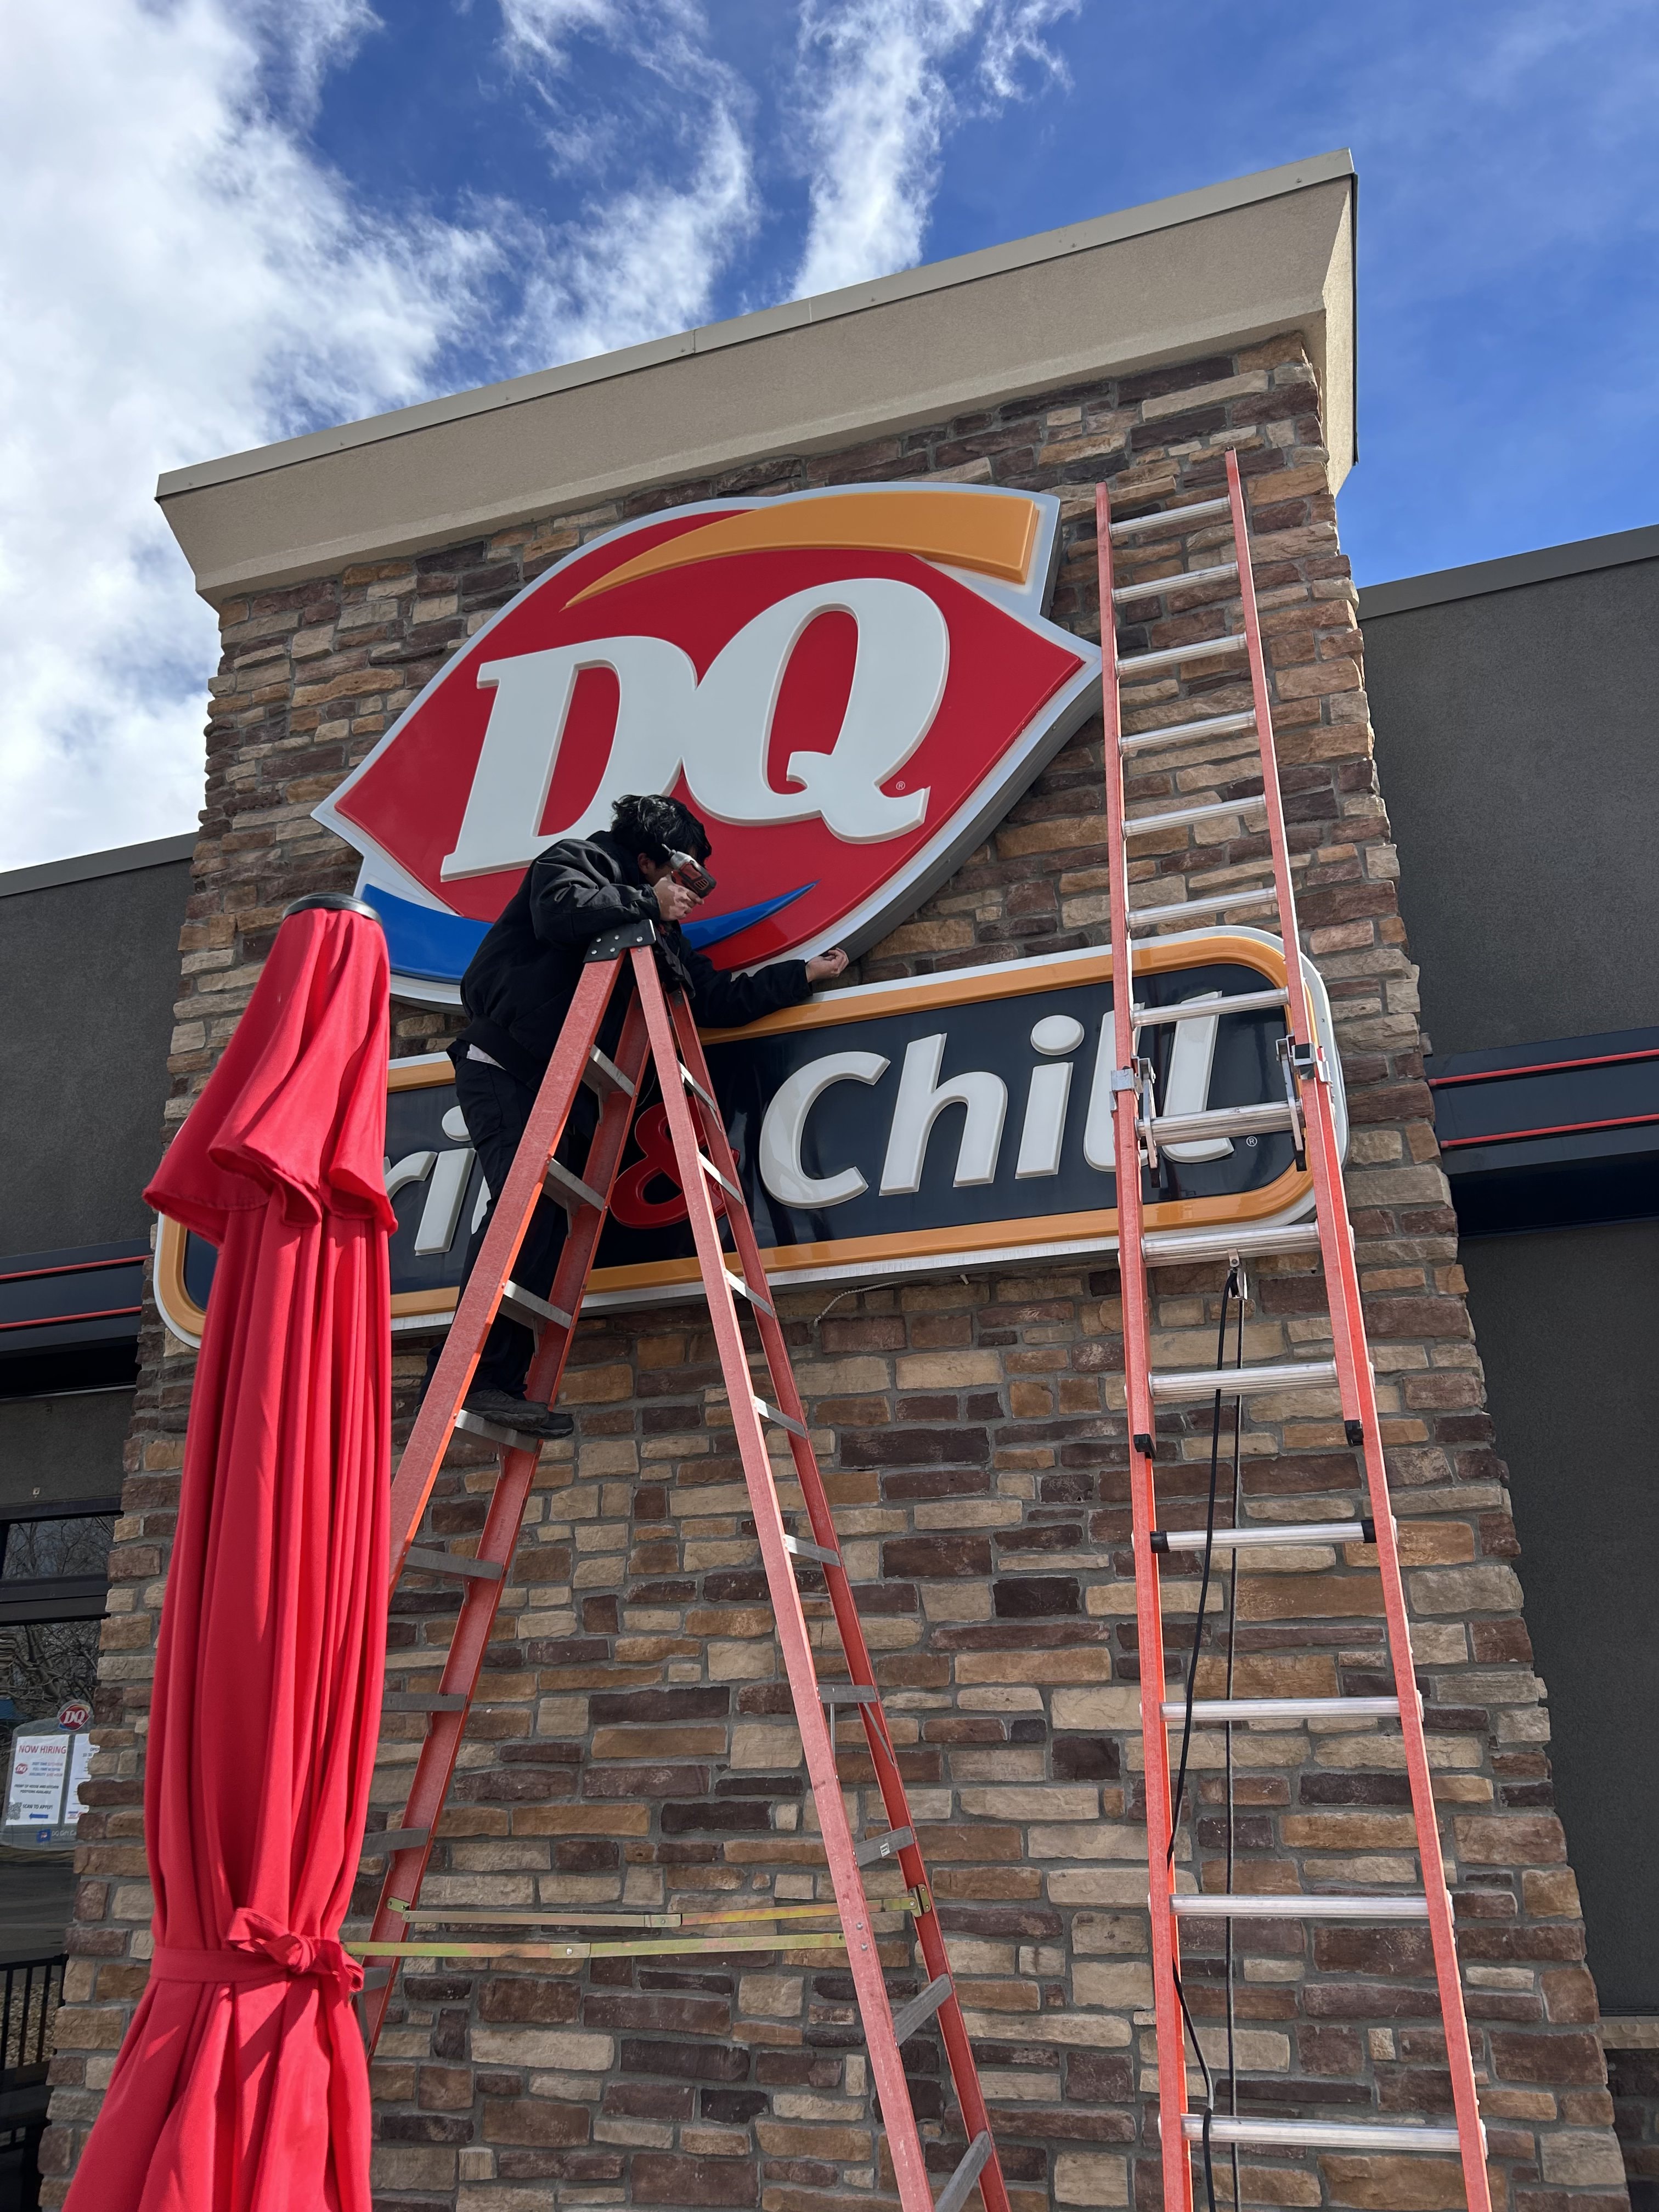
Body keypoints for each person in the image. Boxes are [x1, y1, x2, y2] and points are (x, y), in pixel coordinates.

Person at [443, 792, 849, 1437]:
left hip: (567, 1087)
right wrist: (644, 904)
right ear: (645, 857)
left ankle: (497, 1382)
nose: (688, 891)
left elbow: (710, 997)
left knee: (547, 1224)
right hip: (507, 1069)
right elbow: (560, 915)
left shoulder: (658, 929)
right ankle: (467, 1375)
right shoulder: (574, 862)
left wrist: (801, 976)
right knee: (523, 1208)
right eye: (682, 874)